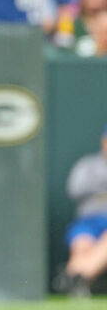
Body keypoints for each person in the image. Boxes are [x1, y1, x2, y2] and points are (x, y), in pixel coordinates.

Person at [55, 125, 107, 296]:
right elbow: (75, 189)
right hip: (89, 221)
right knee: (82, 245)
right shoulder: (88, 165)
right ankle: (78, 281)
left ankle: (73, 276)